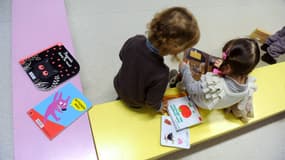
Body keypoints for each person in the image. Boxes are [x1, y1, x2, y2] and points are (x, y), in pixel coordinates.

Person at [113, 7, 200, 113]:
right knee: (151, 93)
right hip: (136, 102)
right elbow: (152, 102)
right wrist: (159, 107)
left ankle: (122, 98)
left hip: (119, 86)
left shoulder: (134, 41)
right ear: (175, 49)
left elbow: (122, 56)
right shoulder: (161, 73)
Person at [179, 38, 260, 122]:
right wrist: (223, 67)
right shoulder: (248, 86)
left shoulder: (214, 86)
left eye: (224, 60)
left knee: (186, 71)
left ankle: (178, 75)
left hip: (200, 101)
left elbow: (193, 89)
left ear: (228, 68)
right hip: (222, 102)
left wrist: (184, 69)